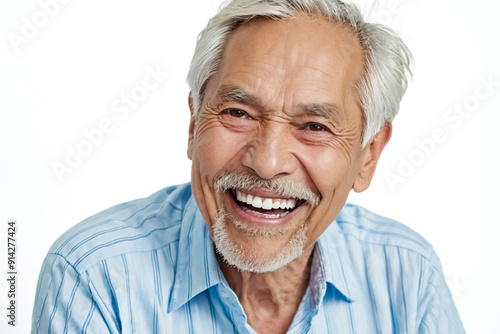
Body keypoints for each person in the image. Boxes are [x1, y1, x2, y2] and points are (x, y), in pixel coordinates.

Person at [31, 0, 466, 333]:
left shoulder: (408, 275)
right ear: (193, 123)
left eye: (314, 125)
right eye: (238, 113)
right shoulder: (94, 274)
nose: (267, 162)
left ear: (368, 155)